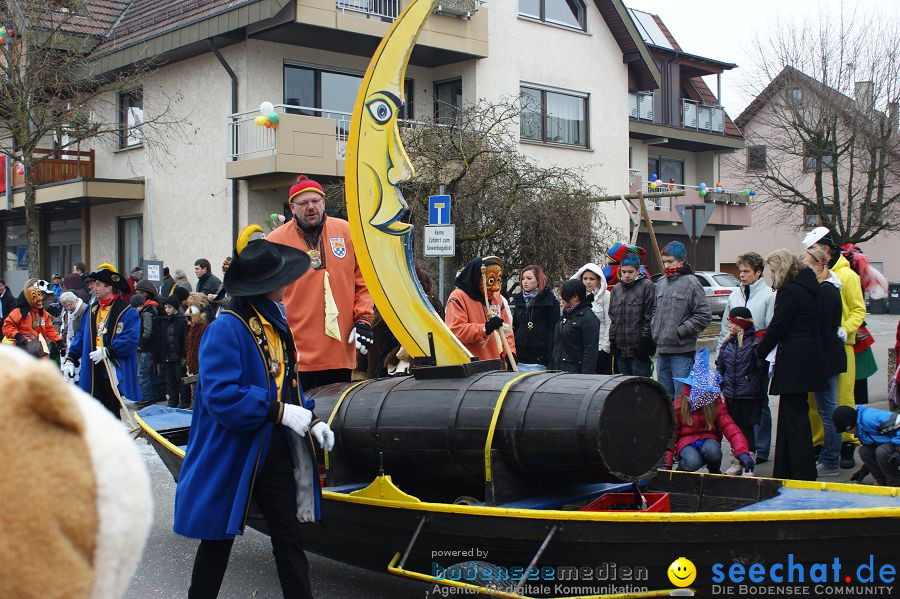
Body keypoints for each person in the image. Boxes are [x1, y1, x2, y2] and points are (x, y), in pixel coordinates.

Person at [174, 226, 329, 599]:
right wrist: (277, 411)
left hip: (272, 448)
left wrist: (312, 418)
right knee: (217, 543)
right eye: (280, 280)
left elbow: (287, 383)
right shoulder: (225, 328)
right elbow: (222, 397)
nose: (287, 285)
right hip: (235, 450)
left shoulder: (277, 324)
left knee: (289, 537)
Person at [267, 176, 374, 390]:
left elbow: (364, 282)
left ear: (324, 202)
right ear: (292, 207)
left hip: (339, 349)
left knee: (335, 418)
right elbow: (267, 296)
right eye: (304, 203)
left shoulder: (347, 232)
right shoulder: (275, 241)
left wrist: (364, 320)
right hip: (294, 351)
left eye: (316, 201)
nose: (311, 207)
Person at [754, 250, 825, 481]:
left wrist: (759, 350)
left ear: (781, 269)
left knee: (794, 417)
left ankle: (799, 471)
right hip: (807, 356)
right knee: (793, 413)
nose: (772, 276)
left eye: (773, 271)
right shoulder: (809, 288)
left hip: (794, 359)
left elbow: (778, 326)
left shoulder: (790, 292)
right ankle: (788, 468)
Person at [802, 227, 865, 469]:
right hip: (819, 348)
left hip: (841, 345)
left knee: (841, 399)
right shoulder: (815, 277)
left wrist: (846, 329)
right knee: (817, 402)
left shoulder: (847, 277)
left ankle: (847, 444)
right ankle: (821, 445)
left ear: (825, 249)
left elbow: (858, 309)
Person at [63, 266, 141, 418]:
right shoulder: (92, 309)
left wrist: (107, 351)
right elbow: (81, 335)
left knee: (111, 410)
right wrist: (71, 358)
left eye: (98, 284)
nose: (93, 287)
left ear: (109, 287)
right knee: (93, 411)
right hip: (92, 367)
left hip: (111, 368)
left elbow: (130, 339)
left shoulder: (127, 311)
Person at [663, 349, 754, 475]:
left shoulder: (714, 404)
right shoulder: (679, 405)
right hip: (686, 441)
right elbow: (670, 435)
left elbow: (731, 428)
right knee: (692, 461)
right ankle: (683, 473)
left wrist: (742, 452)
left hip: (709, 438)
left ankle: (714, 471)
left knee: (713, 451)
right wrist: (666, 464)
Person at [801, 247, 847, 477]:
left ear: (820, 266)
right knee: (826, 410)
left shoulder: (827, 291)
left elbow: (821, 328)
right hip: (826, 357)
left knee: (828, 411)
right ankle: (829, 457)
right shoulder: (824, 289)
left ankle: (831, 460)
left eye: (808, 266)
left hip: (827, 359)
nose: (805, 271)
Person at [650, 241, 712, 400]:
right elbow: (656, 309)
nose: (667, 265)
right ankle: (668, 425)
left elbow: (704, 315)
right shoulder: (661, 282)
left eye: (670, 261)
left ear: (682, 260)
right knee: (664, 397)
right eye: (664, 262)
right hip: (662, 350)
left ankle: (682, 426)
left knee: (681, 398)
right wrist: (654, 327)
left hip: (682, 352)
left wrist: (680, 331)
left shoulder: (692, 283)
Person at [716, 307, 767, 474]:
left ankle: (748, 460)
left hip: (749, 394)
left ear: (741, 324)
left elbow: (761, 370)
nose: (729, 326)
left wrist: (755, 386)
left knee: (747, 428)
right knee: (734, 429)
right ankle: (737, 459)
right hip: (731, 394)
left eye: (732, 323)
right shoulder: (728, 343)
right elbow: (721, 365)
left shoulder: (754, 344)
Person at [446, 256, 516, 368]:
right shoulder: (458, 297)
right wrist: (484, 328)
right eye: (491, 281)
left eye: (498, 280)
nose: (496, 288)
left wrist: (510, 353)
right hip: (472, 368)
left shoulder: (496, 298)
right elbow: (456, 331)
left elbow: (506, 330)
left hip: (497, 367)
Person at [608, 253, 655, 376]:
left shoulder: (647, 286)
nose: (627, 275)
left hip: (638, 349)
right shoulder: (616, 289)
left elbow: (649, 316)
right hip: (620, 349)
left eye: (630, 272)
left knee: (641, 389)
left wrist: (644, 343)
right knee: (623, 388)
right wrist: (612, 341)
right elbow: (613, 318)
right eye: (624, 272)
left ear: (638, 271)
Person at [833, 406, 900, 487]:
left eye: (847, 431)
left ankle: (895, 484)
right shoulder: (860, 429)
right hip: (892, 445)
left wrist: (897, 445)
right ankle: (883, 483)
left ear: (850, 426)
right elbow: (872, 451)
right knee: (864, 451)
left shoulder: (870, 418)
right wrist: (864, 470)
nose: (849, 433)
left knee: (882, 451)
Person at [510, 265, 559, 372]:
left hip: (540, 358)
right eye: (522, 279)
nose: (525, 282)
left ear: (538, 281)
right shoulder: (519, 301)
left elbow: (553, 332)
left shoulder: (549, 302)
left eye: (529, 278)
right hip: (520, 357)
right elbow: (515, 328)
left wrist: (551, 359)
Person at [2, 279, 65, 356]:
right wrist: (18, 336)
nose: (40, 298)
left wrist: (58, 340)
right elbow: (7, 326)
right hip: (21, 349)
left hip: (37, 349)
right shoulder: (18, 312)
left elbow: (49, 328)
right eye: (35, 296)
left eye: (39, 294)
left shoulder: (43, 313)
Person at [549, 279, 599, 374]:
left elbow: (590, 352)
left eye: (564, 296)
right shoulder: (565, 314)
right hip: (558, 371)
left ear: (575, 297)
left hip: (574, 373)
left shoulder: (589, 319)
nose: (561, 299)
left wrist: (585, 378)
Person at [571, 263, 612, 374]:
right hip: (581, 349)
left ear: (598, 280)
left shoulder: (606, 296)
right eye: (585, 278)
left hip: (599, 348)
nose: (588, 282)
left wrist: (605, 348)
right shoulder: (577, 297)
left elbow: (609, 322)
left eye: (592, 279)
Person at [134, 279, 163, 405]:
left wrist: (141, 344)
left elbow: (147, 330)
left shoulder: (147, 311)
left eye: (139, 292)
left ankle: (147, 398)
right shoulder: (151, 308)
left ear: (145, 294)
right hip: (149, 347)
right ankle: (151, 396)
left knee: (143, 373)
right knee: (148, 372)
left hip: (147, 347)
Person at [161, 296, 188, 409]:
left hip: (178, 356)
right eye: (166, 307)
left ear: (175, 307)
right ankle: (173, 401)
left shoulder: (182, 320)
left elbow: (184, 339)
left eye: (169, 307)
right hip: (168, 356)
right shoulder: (165, 321)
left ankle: (184, 402)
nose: (167, 310)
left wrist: (184, 356)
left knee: (181, 380)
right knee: (170, 380)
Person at [59, 291, 87, 361]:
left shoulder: (84, 309)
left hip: (79, 345)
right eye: (65, 306)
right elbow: (65, 327)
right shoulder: (67, 312)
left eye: (69, 305)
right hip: (70, 343)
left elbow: (82, 331)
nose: (68, 308)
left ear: (75, 300)